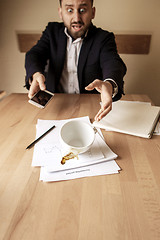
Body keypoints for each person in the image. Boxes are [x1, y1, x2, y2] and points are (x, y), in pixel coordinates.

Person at [25, 0, 126, 121]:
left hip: (91, 109)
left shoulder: (104, 38)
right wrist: (35, 73)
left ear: (93, 12)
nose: (76, 18)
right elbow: (34, 54)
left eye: (83, 10)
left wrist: (109, 84)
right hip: (56, 106)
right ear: (60, 12)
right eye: (69, 10)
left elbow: (113, 62)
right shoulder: (51, 31)